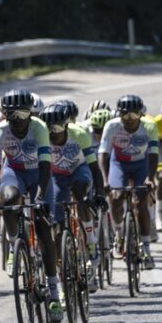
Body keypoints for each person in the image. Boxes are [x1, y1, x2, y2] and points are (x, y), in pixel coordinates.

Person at [0, 89, 63, 323]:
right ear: (5, 115)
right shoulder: (0, 132)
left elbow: (45, 167)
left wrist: (39, 198)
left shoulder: (39, 128)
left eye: (23, 114)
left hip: (38, 175)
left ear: (30, 113)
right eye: (12, 115)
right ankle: (14, 246)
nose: (18, 120)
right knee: (9, 200)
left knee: (43, 229)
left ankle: (53, 292)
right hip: (15, 172)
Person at [42, 103, 105, 292]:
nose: (52, 133)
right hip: (57, 177)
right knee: (58, 224)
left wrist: (100, 193)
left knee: (80, 194)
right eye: (48, 128)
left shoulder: (79, 134)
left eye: (57, 127)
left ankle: (91, 242)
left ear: (66, 125)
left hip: (79, 170)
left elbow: (94, 168)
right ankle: (64, 266)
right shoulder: (41, 137)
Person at [99, 94, 158, 269]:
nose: (129, 119)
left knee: (141, 203)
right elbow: (103, 154)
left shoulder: (150, 126)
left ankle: (146, 249)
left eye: (134, 115)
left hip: (141, 164)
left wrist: (150, 178)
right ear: (118, 114)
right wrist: (104, 180)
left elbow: (154, 154)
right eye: (125, 115)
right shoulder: (112, 126)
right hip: (119, 163)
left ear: (141, 114)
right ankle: (119, 233)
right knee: (116, 197)